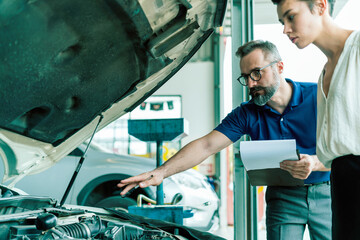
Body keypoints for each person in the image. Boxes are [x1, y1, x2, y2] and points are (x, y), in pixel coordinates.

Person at [118, 40, 331, 240]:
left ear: (280, 67)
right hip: (283, 197)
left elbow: (349, 146)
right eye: (245, 77)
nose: (250, 84)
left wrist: (315, 162)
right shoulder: (246, 113)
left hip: (328, 192)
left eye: (256, 73)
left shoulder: (319, 97)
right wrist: (161, 172)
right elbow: (206, 145)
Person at [270, 0, 359, 239]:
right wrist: (314, 161)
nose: (285, 29)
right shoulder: (324, 73)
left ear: (320, 6)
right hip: (341, 189)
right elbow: (340, 152)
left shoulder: (358, 48)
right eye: (282, 21)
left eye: (290, 17)